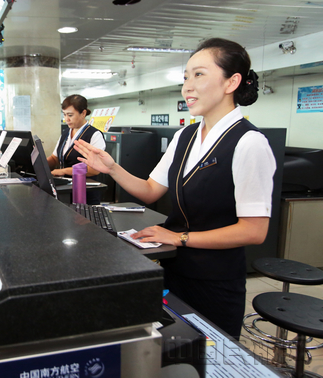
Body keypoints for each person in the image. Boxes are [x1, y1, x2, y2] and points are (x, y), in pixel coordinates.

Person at [74, 38, 276, 339]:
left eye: (199, 75)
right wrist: (111, 168)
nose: (187, 87)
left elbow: (253, 231)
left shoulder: (249, 143)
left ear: (231, 82)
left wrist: (178, 237)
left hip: (215, 282)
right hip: (175, 270)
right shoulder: (186, 135)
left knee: (208, 361)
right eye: (185, 77)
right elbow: (150, 190)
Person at [46, 94, 106, 205]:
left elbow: (94, 169)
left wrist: (63, 171)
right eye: (64, 115)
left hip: (85, 193)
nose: (66, 119)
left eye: (70, 115)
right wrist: (40, 164)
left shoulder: (94, 135)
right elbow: (55, 158)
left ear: (83, 113)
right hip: (66, 190)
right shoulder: (66, 133)